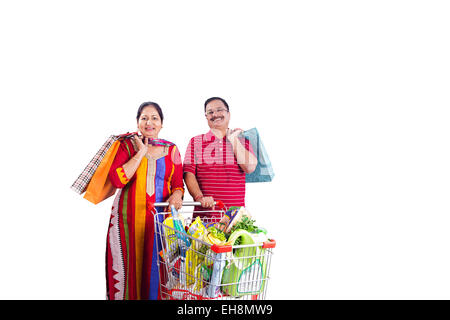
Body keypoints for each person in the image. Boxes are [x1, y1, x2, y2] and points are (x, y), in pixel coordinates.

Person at [106, 102, 184, 300]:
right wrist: (141, 152)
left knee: (160, 271)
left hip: (160, 223)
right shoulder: (126, 146)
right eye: (144, 118)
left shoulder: (172, 150)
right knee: (129, 270)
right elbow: (117, 180)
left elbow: (178, 185)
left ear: (161, 124)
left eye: (154, 118)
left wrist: (177, 195)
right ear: (138, 122)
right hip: (128, 221)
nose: (149, 122)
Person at [183, 97, 257, 216]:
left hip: (234, 220)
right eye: (210, 112)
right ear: (206, 117)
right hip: (204, 219)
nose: (215, 114)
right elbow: (188, 173)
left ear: (228, 114)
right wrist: (199, 197)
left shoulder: (242, 140)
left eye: (219, 110)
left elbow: (249, 168)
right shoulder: (196, 141)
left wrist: (233, 140)